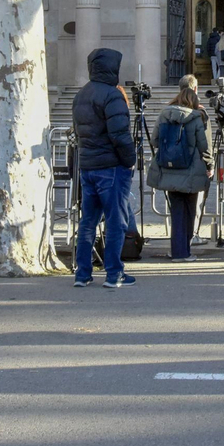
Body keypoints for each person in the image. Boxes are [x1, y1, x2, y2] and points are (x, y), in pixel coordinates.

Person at [71, 48, 138, 288]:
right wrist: (130, 159)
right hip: (111, 165)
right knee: (115, 221)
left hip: (88, 164)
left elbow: (78, 131)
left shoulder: (81, 94)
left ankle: (82, 273)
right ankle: (113, 273)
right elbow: (119, 134)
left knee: (88, 221)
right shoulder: (112, 95)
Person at [150, 79, 212, 260]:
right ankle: (184, 250)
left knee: (176, 211)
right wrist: (209, 164)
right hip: (191, 168)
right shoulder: (196, 117)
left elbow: (154, 140)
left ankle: (176, 251)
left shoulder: (164, 114)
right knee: (190, 211)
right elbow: (204, 146)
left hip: (170, 168)